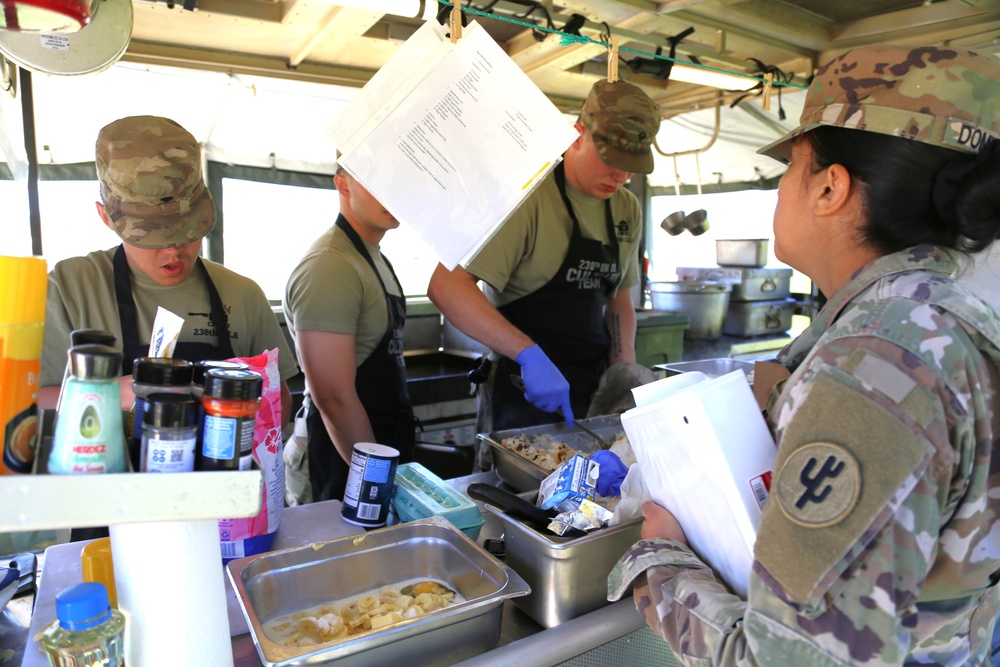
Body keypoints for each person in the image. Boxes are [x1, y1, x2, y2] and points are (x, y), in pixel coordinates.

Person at [609, 45, 1000, 665]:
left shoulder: (877, 370)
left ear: (829, 188)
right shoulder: (944, 319)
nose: (781, 188)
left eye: (789, 167)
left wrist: (660, 559)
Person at [427, 79, 660, 431]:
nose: (622, 175)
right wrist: (528, 355)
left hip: (592, 385)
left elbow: (621, 299)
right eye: (611, 159)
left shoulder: (626, 207)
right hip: (520, 388)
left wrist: (622, 369)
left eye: (632, 166)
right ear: (577, 134)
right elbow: (447, 286)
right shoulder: (526, 196)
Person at [40, 115, 299, 423]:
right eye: (152, 235)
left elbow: (278, 405)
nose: (174, 249)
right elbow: (28, 401)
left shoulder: (243, 295)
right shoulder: (70, 288)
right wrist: (111, 395)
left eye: (187, 231)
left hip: (222, 469)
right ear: (106, 217)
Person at [283, 164, 415, 502]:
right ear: (343, 184)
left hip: (380, 440)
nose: (393, 193)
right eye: (377, 180)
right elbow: (333, 398)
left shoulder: (373, 257)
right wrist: (375, 482)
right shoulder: (331, 266)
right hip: (342, 460)